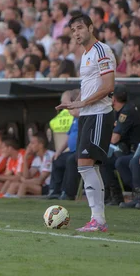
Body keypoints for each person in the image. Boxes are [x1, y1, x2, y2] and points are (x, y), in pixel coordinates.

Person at [56, 14, 116, 232]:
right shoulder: (86, 54)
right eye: (73, 30)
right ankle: (97, 219)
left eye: (80, 28)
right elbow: (90, 84)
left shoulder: (102, 50)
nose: (76, 33)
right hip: (88, 114)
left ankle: (98, 220)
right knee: (87, 166)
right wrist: (76, 105)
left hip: (99, 113)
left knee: (84, 164)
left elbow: (108, 86)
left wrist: (82, 103)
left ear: (91, 27)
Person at [103, 85, 140, 206]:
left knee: (120, 162)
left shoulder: (126, 111)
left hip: (137, 151)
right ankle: (115, 196)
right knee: (103, 160)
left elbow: (114, 138)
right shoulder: (121, 110)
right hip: (128, 149)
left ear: (113, 99)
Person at [48, 90, 80, 200]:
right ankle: (55, 190)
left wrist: (68, 104)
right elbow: (68, 136)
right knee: (57, 159)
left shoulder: (82, 113)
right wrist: (58, 151)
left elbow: (76, 112)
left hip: (82, 151)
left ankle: (68, 193)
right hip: (72, 151)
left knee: (71, 160)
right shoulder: (74, 118)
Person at [4, 133, 54, 198]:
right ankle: (5, 202)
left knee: (24, 185)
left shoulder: (49, 156)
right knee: (14, 184)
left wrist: (24, 181)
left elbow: (40, 180)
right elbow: (27, 176)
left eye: (32, 143)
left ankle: (17, 204)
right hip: (43, 186)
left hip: (51, 187)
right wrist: (25, 158)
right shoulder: (37, 159)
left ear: (41, 145)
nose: (29, 146)